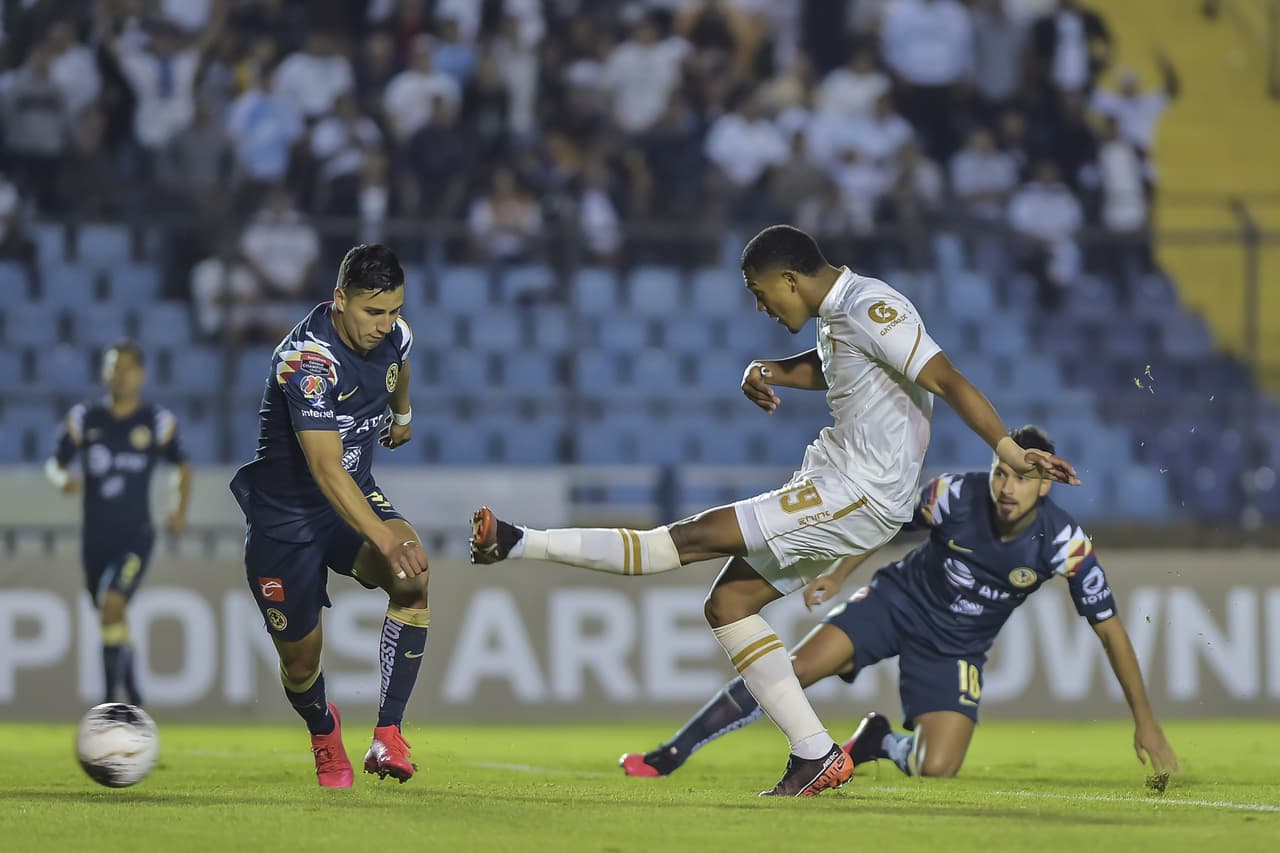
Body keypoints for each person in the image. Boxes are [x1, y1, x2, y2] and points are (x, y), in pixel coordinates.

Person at [470, 225, 1078, 797]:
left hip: (856, 492)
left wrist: (1008, 448)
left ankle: (519, 542)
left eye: (761, 295)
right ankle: (814, 751)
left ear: (790, 279)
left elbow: (946, 378)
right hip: (841, 483)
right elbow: (839, 365)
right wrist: (771, 371)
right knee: (728, 605)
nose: (762, 308)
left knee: (684, 540)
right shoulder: (841, 315)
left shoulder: (869, 305)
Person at [619, 426, 1179, 783]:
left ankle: (875, 740)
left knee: (939, 767)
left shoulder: (1064, 544)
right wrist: (839, 574)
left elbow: (1111, 632)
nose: (1007, 487)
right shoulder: (954, 495)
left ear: (1045, 487)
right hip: (896, 603)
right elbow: (882, 523)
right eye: (1002, 471)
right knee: (791, 672)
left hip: (958, 646)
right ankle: (673, 752)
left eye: (1023, 478)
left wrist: (1146, 723)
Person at [229, 243, 430, 788]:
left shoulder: (395, 333)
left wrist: (402, 413)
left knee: (414, 576)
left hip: (354, 497)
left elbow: (400, 363)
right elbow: (324, 468)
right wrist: (381, 539)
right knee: (301, 664)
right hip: (286, 522)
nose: (384, 325)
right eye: (372, 311)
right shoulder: (307, 363)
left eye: (393, 310)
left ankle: (387, 737)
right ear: (340, 299)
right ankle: (323, 728)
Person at [46, 341, 191, 708]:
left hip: (135, 535)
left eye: (127, 367)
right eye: (113, 366)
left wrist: (178, 507)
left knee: (112, 605)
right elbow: (55, 462)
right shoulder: (85, 418)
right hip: (94, 539)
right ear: (104, 372)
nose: (120, 374)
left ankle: (111, 705)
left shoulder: (156, 421)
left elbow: (181, 466)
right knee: (110, 615)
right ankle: (134, 691)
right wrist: (60, 479)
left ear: (140, 375)